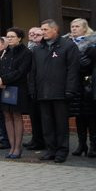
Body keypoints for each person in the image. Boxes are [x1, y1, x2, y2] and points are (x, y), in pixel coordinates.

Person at [28, 19, 79, 163]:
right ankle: (50, 150)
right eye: (42, 30)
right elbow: (33, 72)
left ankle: (62, 152)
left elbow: (73, 71)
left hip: (60, 93)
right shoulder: (38, 49)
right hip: (42, 92)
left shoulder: (68, 46)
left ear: (55, 30)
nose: (42, 32)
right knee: (47, 124)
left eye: (45, 30)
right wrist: (33, 89)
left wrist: (70, 90)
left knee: (61, 124)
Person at [0, 28, 32, 159]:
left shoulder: (26, 53)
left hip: (18, 88)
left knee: (16, 116)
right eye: (8, 36)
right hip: (4, 88)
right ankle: (11, 146)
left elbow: (21, 71)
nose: (9, 38)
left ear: (19, 38)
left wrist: (4, 79)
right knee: (7, 116)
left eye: (12, 36)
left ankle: (17, 147)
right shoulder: (5, 51)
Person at [66, 18, 96, 156]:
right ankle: (81, 144)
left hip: (88, 84)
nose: (74, 28)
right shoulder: (66, 43)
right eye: (72, 26)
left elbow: (88, 64)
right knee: (78, 116)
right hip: (74, 84)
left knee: (91, 116)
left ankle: (93, 146)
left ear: (85, 28)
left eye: (77, 26)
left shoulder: (92, 43)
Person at [24, 27, 45, 151]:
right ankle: (35, 139)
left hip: (40, 87)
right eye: (30, 33)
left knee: (42, 116)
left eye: (36, 33)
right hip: (29, 87)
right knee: (33, 116)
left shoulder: (42, 48)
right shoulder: (28, 48)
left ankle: (42, 140)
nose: (33, 35)